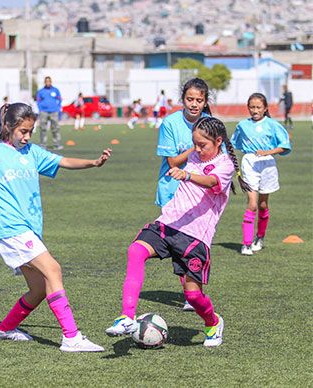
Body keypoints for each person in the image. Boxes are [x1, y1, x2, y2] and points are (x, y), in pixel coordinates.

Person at [0, 102, 111, 352]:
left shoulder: (32, 152)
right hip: (8, 226)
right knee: (53, 270)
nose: (26, 136)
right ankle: (71, 337)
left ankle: (3, 330)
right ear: (8, 127)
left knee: (38, 290)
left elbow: (63, 160)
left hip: (27, 227)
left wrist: (93, 162)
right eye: (22, 131)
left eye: (30, 131)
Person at [105, 117, 249, 347]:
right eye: (195, 144)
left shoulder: (226, 165)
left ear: (219, 141)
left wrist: (187, 175)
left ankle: (213, 323)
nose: (198, 149)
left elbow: (212, 182)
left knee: (192, 296)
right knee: (135, 251)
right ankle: (127, 317)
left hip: (195, 236)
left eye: (203, 145)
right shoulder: (194, 155)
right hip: (168, 223)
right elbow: (174, 160)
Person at [156, 78, 212, 311]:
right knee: (180, 243)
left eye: (199, 100)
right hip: (173, 189)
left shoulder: (211, 123)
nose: (194, 104)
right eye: (190, 99)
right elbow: (172, 162)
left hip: (199, 191)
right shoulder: (170, 123)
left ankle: (193, 292)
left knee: (196, 242)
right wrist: (197, 145)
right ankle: (191, 294)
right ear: (183, 100)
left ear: (205, 102)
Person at [231, 93, 291, 256]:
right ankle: (246, 244)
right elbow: (233, 143)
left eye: (258, 107)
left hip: (267, 164)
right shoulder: (242, 125)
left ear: (265, 109)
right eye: (252, 107)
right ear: (248, 108)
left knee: (263, 205)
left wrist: (267, 152)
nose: (255, 110)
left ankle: (260, 238)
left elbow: (285, 146)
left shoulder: (273, 125)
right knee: (252, 204)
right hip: (250, 163)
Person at [36, 76, 63, 150]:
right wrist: (40, 108)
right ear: (45, 82)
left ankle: (57, 144)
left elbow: (59, 99)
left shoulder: (56, 90)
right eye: (46, 81)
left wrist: (58, 107)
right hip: (43, 112)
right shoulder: (41, 91)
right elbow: (38, 100)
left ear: (51, 82)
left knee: (55, 128)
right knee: (43, 128)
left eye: (49, 81)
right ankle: (43, 144)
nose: (48, 83)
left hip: (54, 111)